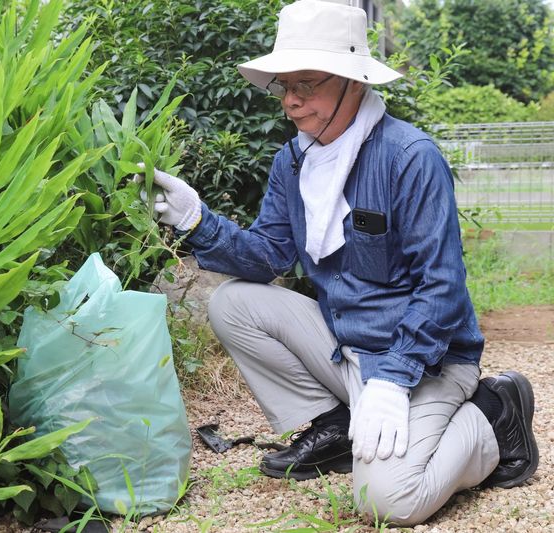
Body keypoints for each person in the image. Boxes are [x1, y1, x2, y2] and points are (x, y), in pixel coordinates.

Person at [135, 0, 538, 526]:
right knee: (235, 303)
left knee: (387, 502)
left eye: (307, 85)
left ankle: (493, 413)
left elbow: (441, 288)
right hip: (348, 348)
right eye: (284, 86)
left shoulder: (409, 158)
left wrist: (394, 379)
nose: (291, 104)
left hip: (425, 363)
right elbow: (267, 257)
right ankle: (336, 425)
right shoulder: (294, 160)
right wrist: (196, 222)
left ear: (354, 81)